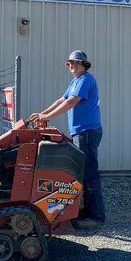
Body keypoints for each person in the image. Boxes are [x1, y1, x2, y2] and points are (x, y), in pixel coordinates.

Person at [29, 50, 105, 229]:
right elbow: (61, 100)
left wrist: (45, 116)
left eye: (77, 63)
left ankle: (95, 216)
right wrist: (44, 114)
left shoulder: (86, 79)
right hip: (81, 132)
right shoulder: (75, 81)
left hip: (87, 132)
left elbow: (70, 103)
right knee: (82, 172)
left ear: (84, 65)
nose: (72, 66)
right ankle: (86, 211)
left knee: (89, 173)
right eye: (70, 63)